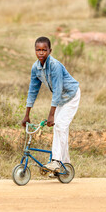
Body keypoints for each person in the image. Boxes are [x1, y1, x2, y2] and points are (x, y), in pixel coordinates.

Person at [21, 36, 81, 171]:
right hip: (60, 99)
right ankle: (65, 165)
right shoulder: (36, 68)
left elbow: (58, 91)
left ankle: (56, 161)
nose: (41, 53)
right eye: (38, 50)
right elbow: (32, 90)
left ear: (50, 51)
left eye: (44, 50)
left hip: (71, 95)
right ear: (35, 51)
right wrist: (27, 115)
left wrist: (51, 115)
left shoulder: (54, 65)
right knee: (60, 129)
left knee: (60, 125)